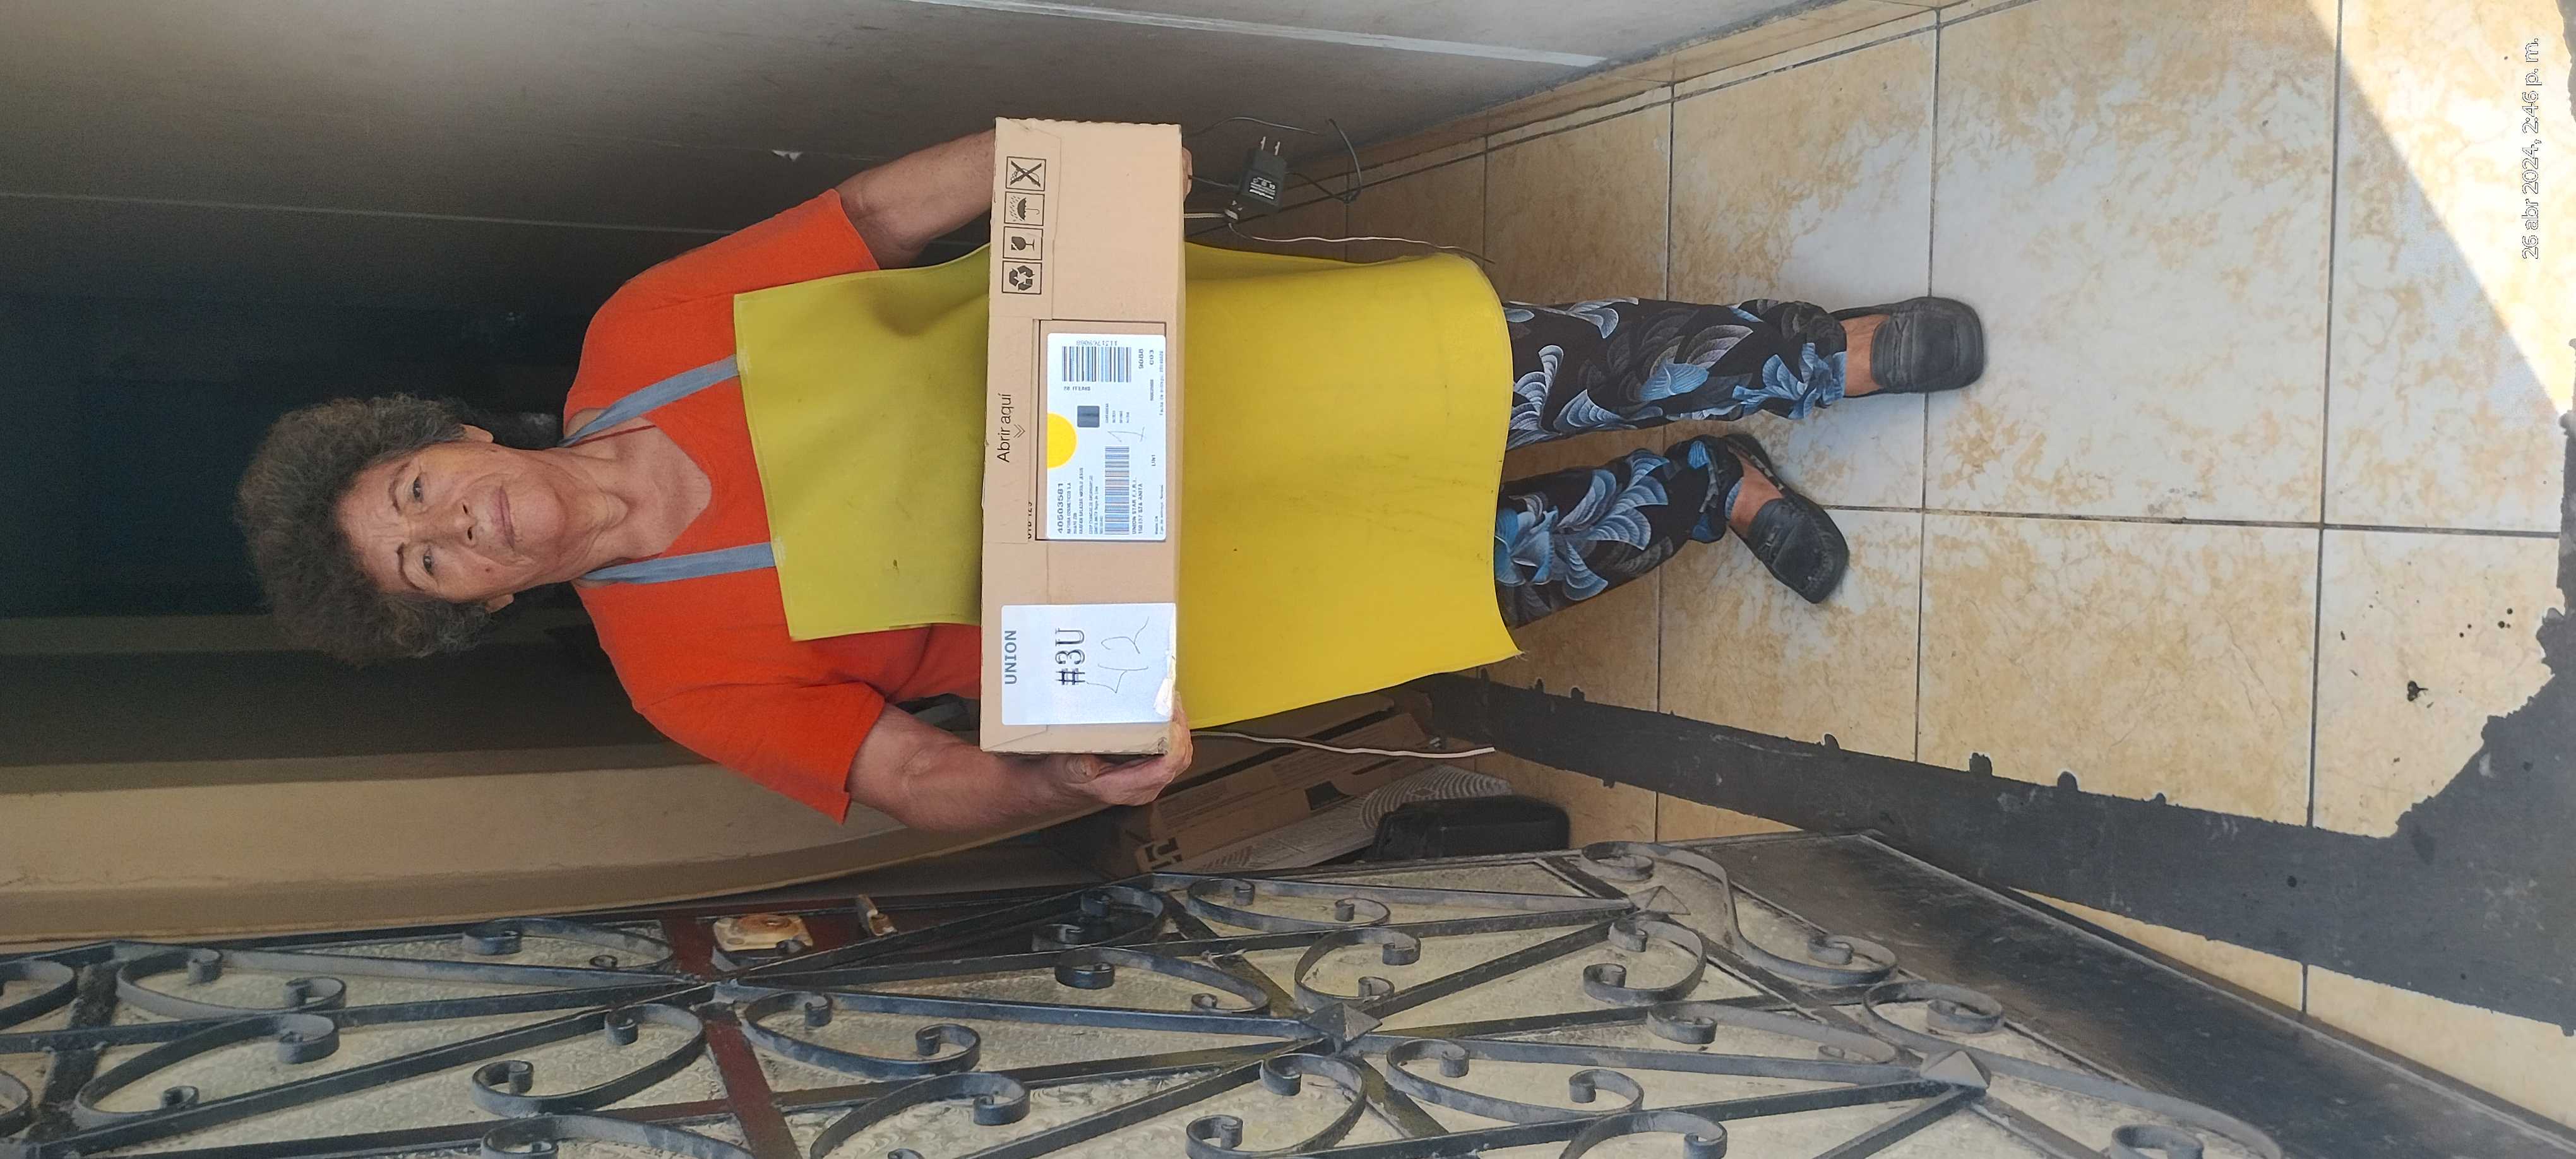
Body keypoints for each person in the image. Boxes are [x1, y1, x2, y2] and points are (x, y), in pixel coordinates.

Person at [234, 129, 1981, 833]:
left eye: (416, 490)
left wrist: (1045, 164)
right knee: (1483, 563)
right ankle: (1705, 493)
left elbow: (874, 218)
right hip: (1174, 597)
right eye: (428, 564)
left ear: (454, 436)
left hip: (1183, 380)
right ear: (474, 609)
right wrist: (1069, 775)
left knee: (1504, 370)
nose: (455, 525)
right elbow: (912, 777)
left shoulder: (647, 332)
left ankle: (1821, 354)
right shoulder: (677, 674)